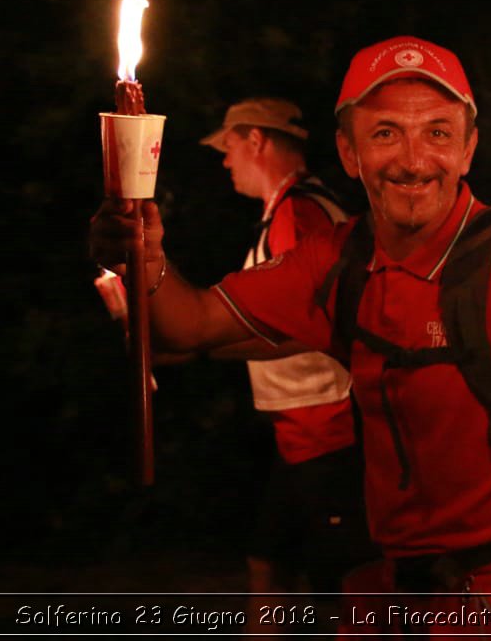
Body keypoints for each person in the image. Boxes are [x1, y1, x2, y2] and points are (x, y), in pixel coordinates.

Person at [91, 37, 491, 637]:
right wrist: (148, 260)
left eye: (438, 132)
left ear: (468, 149)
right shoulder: (335, 261)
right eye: (386, 133)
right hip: (397, 594)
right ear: (349, 152)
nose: (414, 160)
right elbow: (187, 324)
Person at [197, 98, 372, 622]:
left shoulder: (302, 213)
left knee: (352, 586)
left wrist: (205, 343)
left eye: (228, 147)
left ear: (256, 140)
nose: (225, 161)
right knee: (268, 564)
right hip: (301, 431)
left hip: (329, 429)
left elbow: (312, 320)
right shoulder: (291, 209)